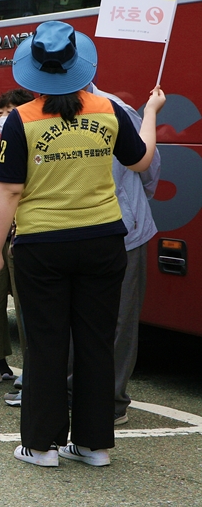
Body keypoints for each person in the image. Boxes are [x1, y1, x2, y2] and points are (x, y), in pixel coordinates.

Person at [0, 20, 164, 468]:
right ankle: (93, 444)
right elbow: (141, 160)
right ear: (77, 65)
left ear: (34, 71)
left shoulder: (22, 120)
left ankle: (41, 445)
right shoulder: (108, 109)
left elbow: (9, 190)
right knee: (96, 342)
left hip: (43, 245)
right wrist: (152, 113)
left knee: (46, 343)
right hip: (104, 240)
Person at [85, 84, 160, 427]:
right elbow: (147, 167)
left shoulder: (114, 108)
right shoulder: (41, 110)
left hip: (119, 231)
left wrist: (133, 202)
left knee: (115, 318)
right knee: (92, 318)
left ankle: (106, 399)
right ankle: (83, 393)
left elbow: (146, 164)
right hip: (88, 231)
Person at [0, 88, 35, 408]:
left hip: (25, 235)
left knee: (29, 309)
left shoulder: (30, 143)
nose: (4, 117)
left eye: (11, 111)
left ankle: (34, 373)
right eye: (0, 112)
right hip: (1, 236)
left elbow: (14, 191)